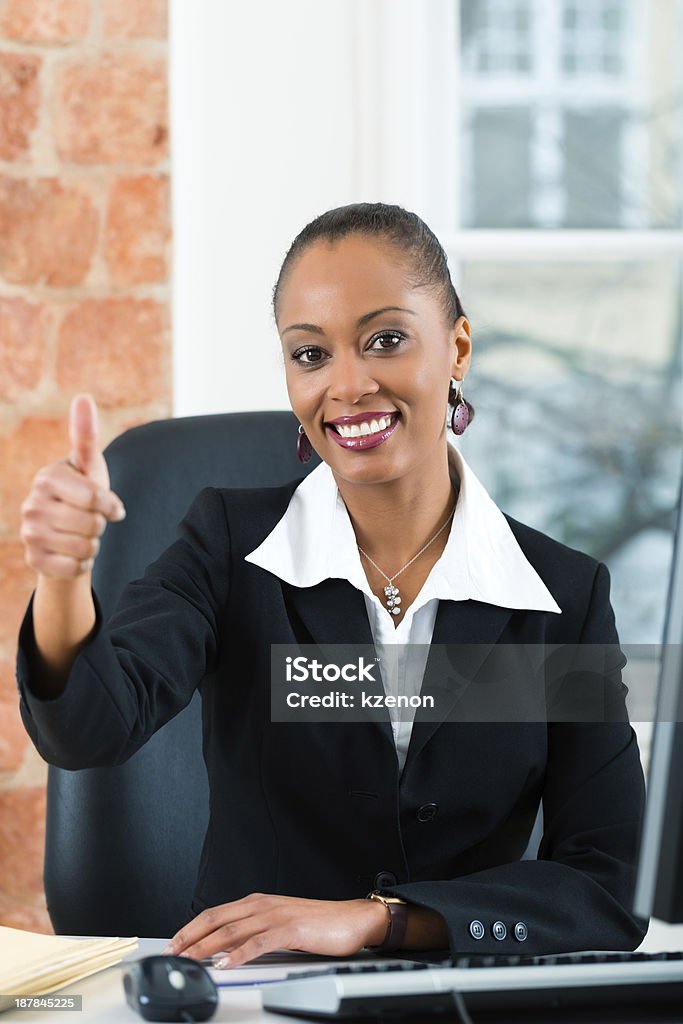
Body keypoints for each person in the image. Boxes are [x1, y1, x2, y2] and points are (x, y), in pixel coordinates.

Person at [16, 203, 647, 967]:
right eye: (310, 355)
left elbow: (607, 887)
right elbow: (87, 728)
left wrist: (379, 920)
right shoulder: (228, 546)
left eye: (385, 340)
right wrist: (62, 579)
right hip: (255, 995)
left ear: (456, 346)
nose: (346, 385)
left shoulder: (559, 599)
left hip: (464, 1000)